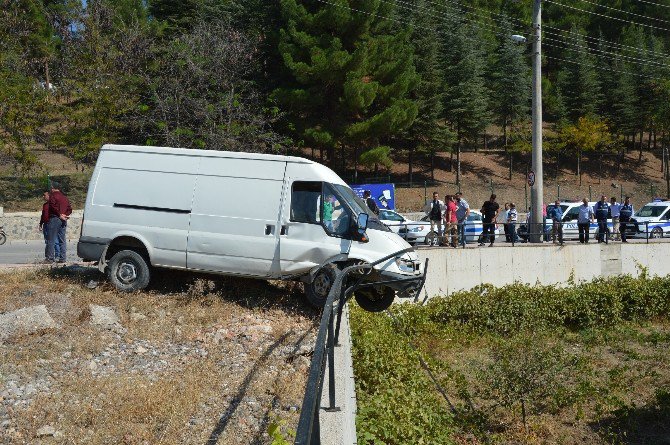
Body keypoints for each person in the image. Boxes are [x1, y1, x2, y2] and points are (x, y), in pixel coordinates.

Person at [45, 181, 72, 264]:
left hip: (54, 219)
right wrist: (65, 214)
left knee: (51, 239)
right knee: (62, 239)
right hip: (63, 220)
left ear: (53, 188)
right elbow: (70, 209)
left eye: (51, 188)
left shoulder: (53, 196)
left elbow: (53, 207)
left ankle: (50, 258)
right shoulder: (64, 197)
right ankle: (62, 258)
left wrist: (59, 215)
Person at [40, 191, 61, 260]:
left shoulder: (53, 205)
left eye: (44, 195)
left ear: (49, 196)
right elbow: (43, 215)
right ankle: (49, 256)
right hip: (45, 224)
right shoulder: (45, 205)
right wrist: (41, 224)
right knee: (47, 241)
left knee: (55, 241)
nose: (43, 197)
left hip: (52, 224)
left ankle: (57, 255)